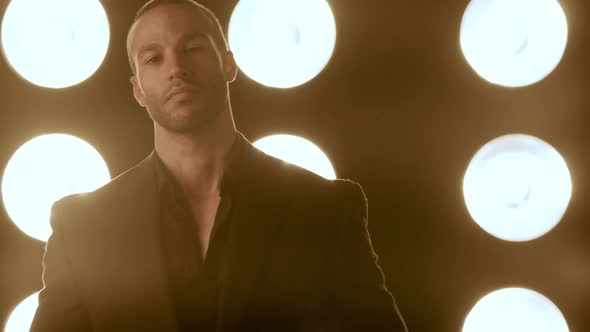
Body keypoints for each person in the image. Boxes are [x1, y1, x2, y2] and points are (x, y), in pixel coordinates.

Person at [29, 0, 407, 331]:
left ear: (228, 63)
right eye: (154, 58)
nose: (176, 67)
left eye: (192, 47)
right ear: (137, 90)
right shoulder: (82, 227)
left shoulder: (326, 209)